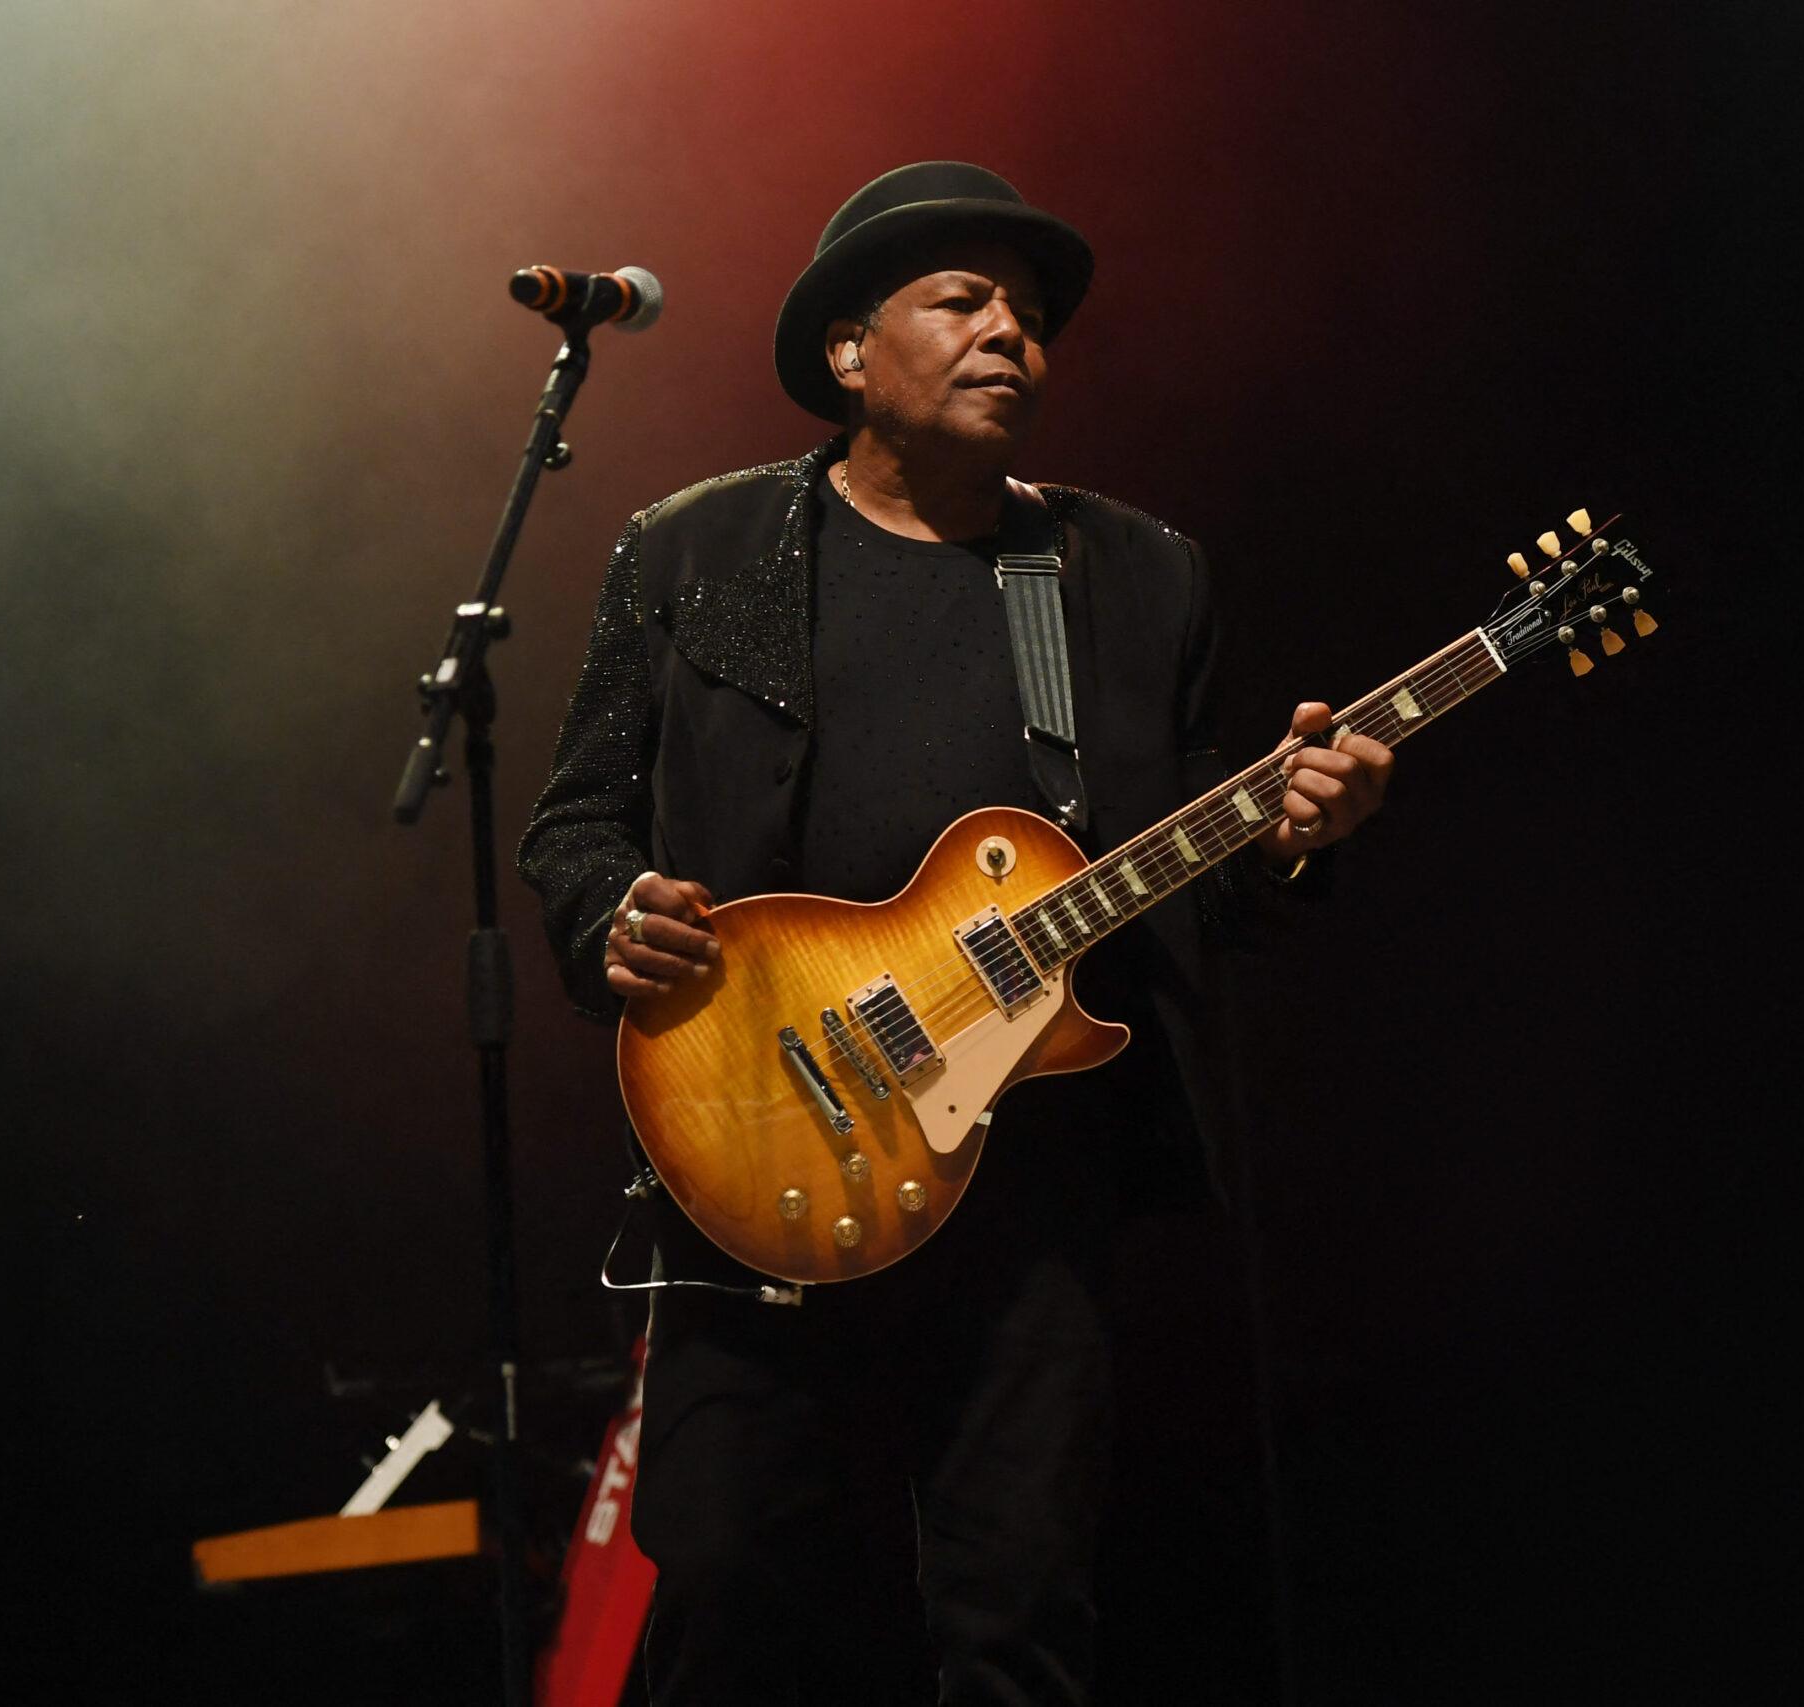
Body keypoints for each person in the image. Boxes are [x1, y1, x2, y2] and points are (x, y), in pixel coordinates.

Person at [518, 161, 1396, 1705]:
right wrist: (614, 915)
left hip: (1028, 1187)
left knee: (1015, 1614)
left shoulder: (1132, 574)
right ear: (851, 354)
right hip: (757, 1138)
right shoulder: (695, 555)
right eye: (965, 300)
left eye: (1033, 314)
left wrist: (1293, 838)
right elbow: (575, 823)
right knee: (730, 1585)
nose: (1014, 335)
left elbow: (1196, 860)